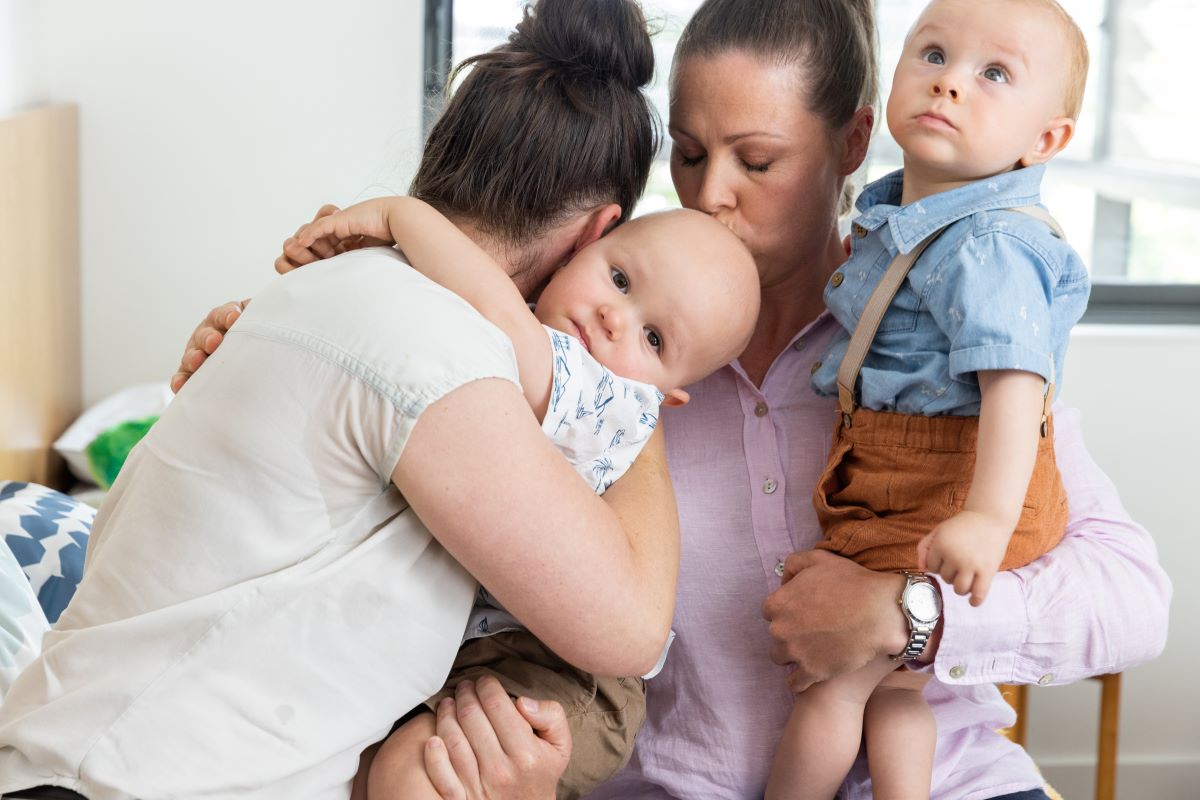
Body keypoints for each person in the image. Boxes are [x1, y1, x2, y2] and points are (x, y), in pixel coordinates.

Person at [180, 0, 1171, 798]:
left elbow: (1134, 600)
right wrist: (264, 348)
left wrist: (904, 617)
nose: (712, 196)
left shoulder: (931, 346)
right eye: (689, 156)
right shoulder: (604, 326)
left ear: (854, 139)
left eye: (759, 159)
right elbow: (409, 373)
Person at [0, 1, 681, 798]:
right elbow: (632, 631)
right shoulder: (447, 353)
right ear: (594, 233)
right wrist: (625, 397)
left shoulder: (326, 289)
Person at [285, 196, 759, 798]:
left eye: (655, 338)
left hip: (565, 676)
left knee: (415, 773)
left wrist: (401, 222)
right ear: (585, 245)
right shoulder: (520, 325)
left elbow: (495, 311)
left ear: (667, 397)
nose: (616, 317)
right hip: (468, 641)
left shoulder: (609, 398)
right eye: (619, 278)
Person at [768, 1, 1091, 797]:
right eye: (934, 54)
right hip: (912, 464)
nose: (949, 84)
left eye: (993, 74)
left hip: (947, 478)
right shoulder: (908, 223)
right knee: (901, 688)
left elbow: (1016, 384)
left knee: (831, 687)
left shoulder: (989, 242)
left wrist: (983, 516)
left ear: (1043, 141)